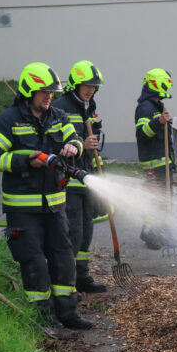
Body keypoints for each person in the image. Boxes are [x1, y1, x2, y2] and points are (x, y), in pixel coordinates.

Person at [0, 61, 92, 338]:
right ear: (29, 91)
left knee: (63, 258)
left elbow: (77, 140)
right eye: (44, 92)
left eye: (52, 93)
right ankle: (41, 318)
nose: (49, 97)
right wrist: (26, 160)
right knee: (33, 262)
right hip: (23, 209)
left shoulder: (58, 116)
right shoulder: (7, 121)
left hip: (55, 206)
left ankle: (68, 314)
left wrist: (73, 147)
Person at [52, 60, 108, 293]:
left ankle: (82, 276)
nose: (91, 90)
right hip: (69, 180)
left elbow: (94, 145)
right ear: (75, 84)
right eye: (87, 85)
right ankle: (67, 281)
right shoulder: (60, 108)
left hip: (87, 178)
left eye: (94, 86)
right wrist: (82, 144)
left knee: (86, 229)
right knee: (73, 232)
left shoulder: (88, 106)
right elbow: (53, 143)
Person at [134, 67, 175, 250]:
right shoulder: (145, 108)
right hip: (154, 162)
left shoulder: (154, 105)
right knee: (159, 199)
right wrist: (158, 122)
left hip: (161, 160)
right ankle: (149, 232)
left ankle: (157, 231)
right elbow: (142, 133)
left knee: (164, 200)